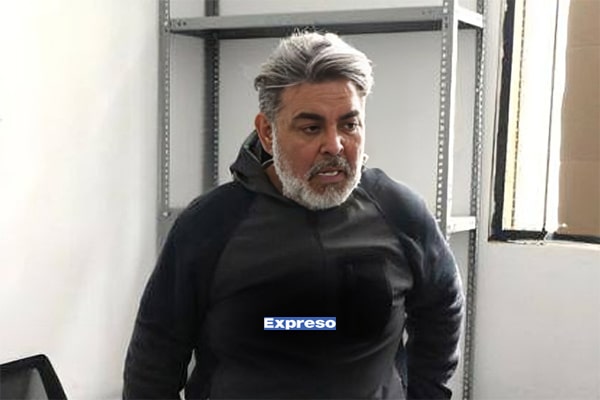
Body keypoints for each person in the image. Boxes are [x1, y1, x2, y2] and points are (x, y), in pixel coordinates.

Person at [123, 31, 464, 400]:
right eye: (311, 128)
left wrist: (426, 393)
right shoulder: (209, 225)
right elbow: (154, 359)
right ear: (267, 132)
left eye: (349, 125)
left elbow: (442, 307)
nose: (334, 145)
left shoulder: (399, 213)